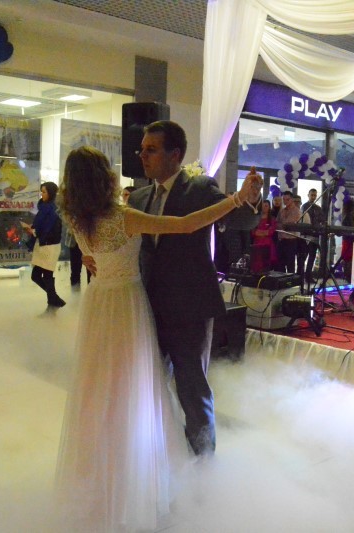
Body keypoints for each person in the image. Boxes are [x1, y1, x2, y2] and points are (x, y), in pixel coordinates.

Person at [56, 145, 261, 531]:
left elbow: (91, 254)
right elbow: (185, 225)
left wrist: (91, 257)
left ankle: (102, 475)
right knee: (137, 389)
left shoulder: (76, 216)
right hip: (126, 306)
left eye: (150, 150)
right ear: (103, 178)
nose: (141, 156)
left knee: (101, 389)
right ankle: (140, 475)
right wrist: (235, 199)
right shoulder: (124, 216)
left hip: (99, 306)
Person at [85, 120, 262, 458]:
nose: (142, 156)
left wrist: (250, 199)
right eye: (142, 149)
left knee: (192, 390)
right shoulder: (137, 197)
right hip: (145, 309)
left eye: (151, 150)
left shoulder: (199, 188)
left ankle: (203, 463)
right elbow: (117, 237)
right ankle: (160, 460)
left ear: (175, 154)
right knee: (148, 386)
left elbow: (238, 220)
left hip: (190, 310)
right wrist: (91, 253)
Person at [21, 182, 65, 308]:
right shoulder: (44, 207)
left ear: (50, 193)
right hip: (43, 244)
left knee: (45, 275)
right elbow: (41, 225)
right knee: (37, 276)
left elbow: (49, 228)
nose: (42, 194)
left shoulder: (52, 209)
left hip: (49, 246)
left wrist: (32, 231)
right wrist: (33, 229)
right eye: (41, 192)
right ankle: (54, 299)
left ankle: (53, 301)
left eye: (44, 192)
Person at [301, 188, 324, 283]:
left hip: (315, 235)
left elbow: (322, 220)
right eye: (312, 195)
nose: (313, 197)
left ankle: (308, 275)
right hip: (306, 235)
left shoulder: (318, 208)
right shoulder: (304, 206)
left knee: (312, 257)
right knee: (303, 257)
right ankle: (300, 276)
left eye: (315, 195)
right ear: (308, 195)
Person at [276, 190, 300, 273]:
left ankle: (290, 280)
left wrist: (283, 225)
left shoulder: (296, 211)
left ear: (292, 199)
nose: (285, 201)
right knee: (280, 264)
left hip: (291, 241)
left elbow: (290, 225)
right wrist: (283, 225)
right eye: (284, 199)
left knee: (290, 264)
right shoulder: (282, 210)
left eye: (287, 199)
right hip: (281, 240)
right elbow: (277, 224)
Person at [250, 200, 277, 273]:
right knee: (256, 265)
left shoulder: (272, 219)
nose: (264, 208)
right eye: (262, 206)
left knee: (266, 266)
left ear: (269, 207)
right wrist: (263, 232)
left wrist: (260, 232)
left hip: (267, 244)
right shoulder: (255, 219)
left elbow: (270, 232)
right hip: (257, 244)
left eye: (266, 206)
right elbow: (253, 231)